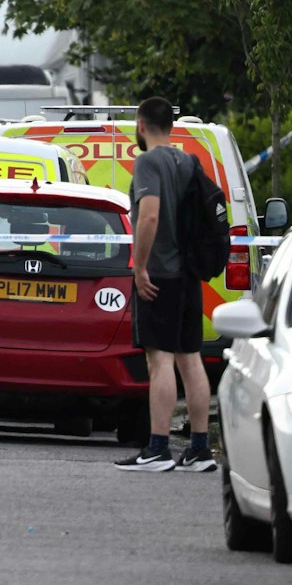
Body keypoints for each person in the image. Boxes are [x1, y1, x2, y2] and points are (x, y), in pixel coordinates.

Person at [116, 96, 215, 473]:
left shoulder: (147, 162)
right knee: (190, 358)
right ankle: (200, 449)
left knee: (159, 360)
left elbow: (150, 216)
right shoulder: (188, 160)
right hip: (188, 276)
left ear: (141, 126)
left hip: (160, 274)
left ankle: (158, 448)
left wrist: (140, 268)